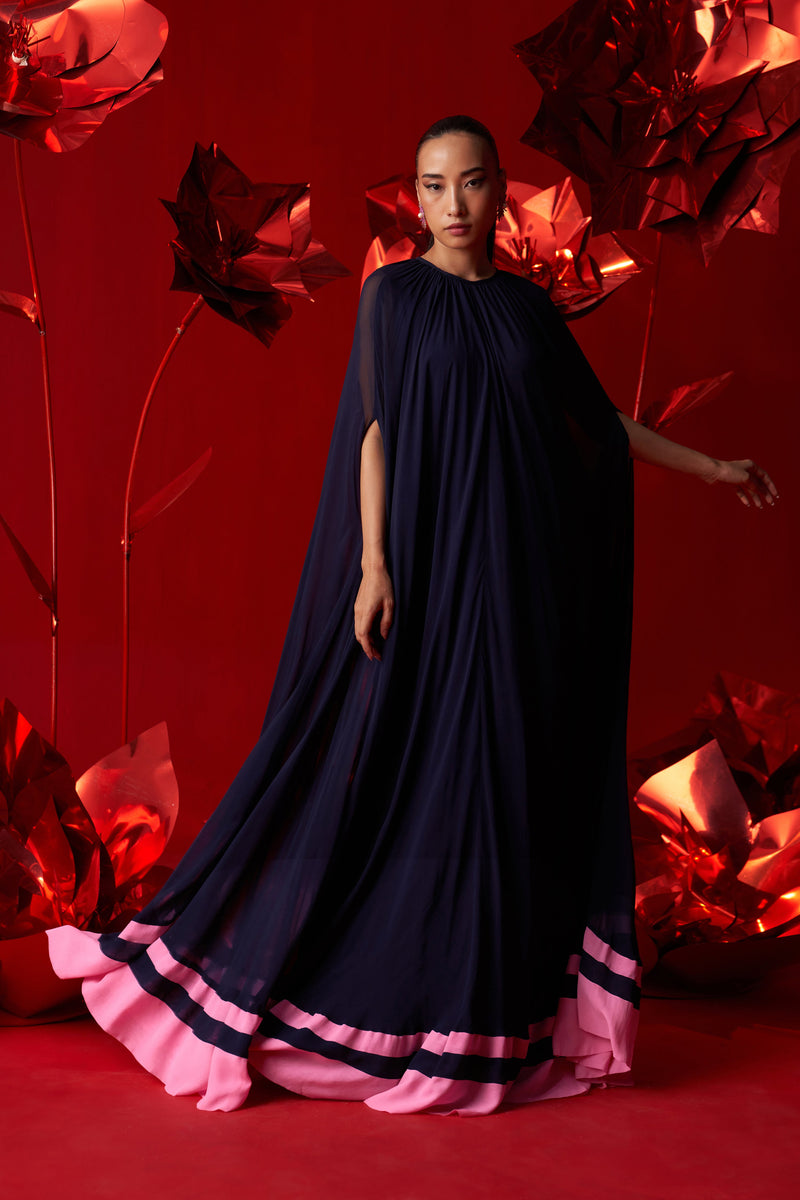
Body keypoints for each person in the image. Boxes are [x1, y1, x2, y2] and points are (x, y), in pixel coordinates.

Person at [46, 114, 778, 1116]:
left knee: (499, 770)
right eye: (433, 186)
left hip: (517, 576)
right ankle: (351, 984)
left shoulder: (526, 309)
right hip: (424, 568)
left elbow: (596, 422)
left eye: (470, 182)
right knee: (395, 757)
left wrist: (713, 467)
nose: (452, 204)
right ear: (417, 200)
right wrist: (375, 565)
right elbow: (374, 430)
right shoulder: (391, 296)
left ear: (497, 188)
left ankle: (486, 1007)